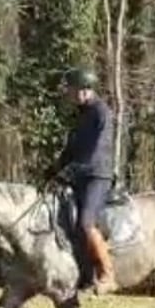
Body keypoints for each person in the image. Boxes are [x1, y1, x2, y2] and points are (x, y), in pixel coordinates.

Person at [46, 66, 117, 295]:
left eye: (72, 90)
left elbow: (93, 153)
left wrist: (68, 172)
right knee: (64, 221)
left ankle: (108, 274)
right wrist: (55, 169)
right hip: (79, 175)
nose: (69, 94)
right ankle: (84, 276)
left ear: (85, 89)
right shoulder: (80, 115)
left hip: (97, 174)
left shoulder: (101, 113)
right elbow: (71, 149)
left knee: (86, 223)